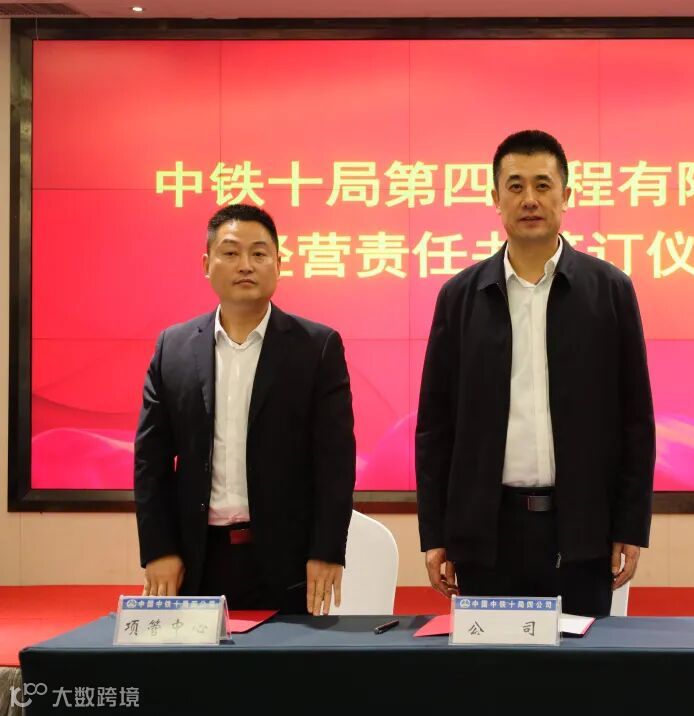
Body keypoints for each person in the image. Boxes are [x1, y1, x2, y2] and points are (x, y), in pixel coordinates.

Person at [415, 129, 655, 616]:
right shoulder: (460, 298)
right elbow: (435, 427)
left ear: (566, 196)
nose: (530, 199)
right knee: (490, 664)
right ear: (495, 198)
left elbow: (636, 420)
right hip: (485, 535)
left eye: (543, 185)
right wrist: (436, 533)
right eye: (516, 185)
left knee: (581, 663)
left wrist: (630, 525)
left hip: (581, 531)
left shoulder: (609, 291)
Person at [134, 204, 356, 616]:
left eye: (259, 253)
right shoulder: (173, 349)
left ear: (278, 263)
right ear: (207, 264)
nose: (246, 265)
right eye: (231, 252)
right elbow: (151, 461)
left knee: (285, 659)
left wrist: (326, 551)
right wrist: (159, 549)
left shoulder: (316, 348)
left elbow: (335, 462)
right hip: (196, 558)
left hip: (288, 560)